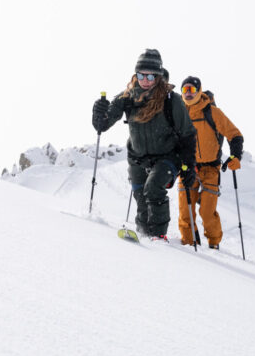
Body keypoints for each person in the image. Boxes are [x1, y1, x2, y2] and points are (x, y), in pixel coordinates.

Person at [91, 49, 197, 239]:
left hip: (167, 157)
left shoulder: (172, 100)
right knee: (140, 197)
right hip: (137, 157)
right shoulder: (126, 97)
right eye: (141, 75)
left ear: (158, 76)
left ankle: (158, 236)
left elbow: (188, 134)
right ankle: (143, 238)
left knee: (153, 189)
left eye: (150, 75)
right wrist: (98, 113)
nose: (145, 80)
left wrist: (189, 165)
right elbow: (103, 124)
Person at [176, 76, 244, 249]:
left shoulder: (212, 112)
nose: (188, 94)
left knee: (207, 212)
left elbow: (234, 134)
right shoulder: (178, 113)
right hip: (187, 168)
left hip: (210, 170)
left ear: (199, 91)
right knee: (185, 212)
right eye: (185, 90)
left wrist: (235, 156)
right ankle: (188, 244)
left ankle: (214, 243)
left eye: (192, 90)